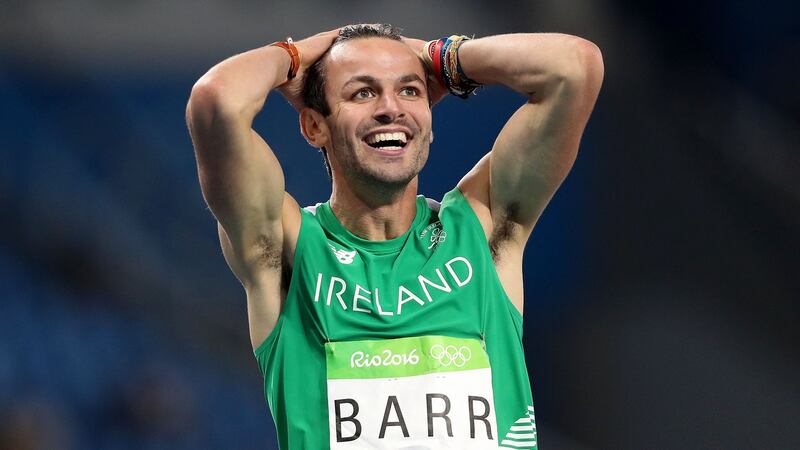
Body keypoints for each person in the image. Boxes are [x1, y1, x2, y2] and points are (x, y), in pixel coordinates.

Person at [186, 23, 603, 450]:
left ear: (429, 119)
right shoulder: (287, 248)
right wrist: (305, 53)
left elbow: (574, 67)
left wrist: (440, 58)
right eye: (362, 93)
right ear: (314, 127)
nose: (391, 109)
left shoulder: (483, 228)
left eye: (410, 91)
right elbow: (217, 99)